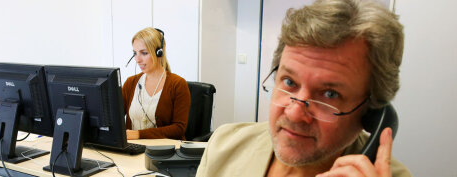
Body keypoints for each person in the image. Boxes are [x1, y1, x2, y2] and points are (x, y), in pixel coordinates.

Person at [196, 0, 412, 176]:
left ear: (371, 110)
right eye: (289, 82)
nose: (295, 113)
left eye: (330, 94)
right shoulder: (226, 145)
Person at [122, 27, 191, 140]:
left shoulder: (178, 84)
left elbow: (179, 129)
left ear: (159, 53)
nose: (137, 59)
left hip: (164, 152)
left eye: (144, 53)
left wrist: (139, 135)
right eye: (135, 53)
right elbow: (113, 117)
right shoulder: (131, 83)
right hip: (133, 150)